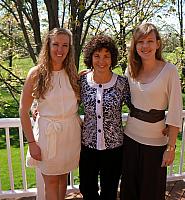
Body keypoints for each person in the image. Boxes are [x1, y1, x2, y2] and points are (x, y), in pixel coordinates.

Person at [120, 22, 183, 200]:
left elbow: (176, 110)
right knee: (129, 191)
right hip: (130, 139)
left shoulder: (169, 71)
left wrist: (171, 147)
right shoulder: (130, 69)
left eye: (149, 41)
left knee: (152, 193)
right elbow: (117, 94)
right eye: (140, 41)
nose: (145, 46)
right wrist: (90, 75)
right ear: (135, 45)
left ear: (158, 44)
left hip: (156, 144)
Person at [19, 28, 81, 200]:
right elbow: (23, 110)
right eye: (55, 44)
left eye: (65, 45)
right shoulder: (36, 73)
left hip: (70, 135)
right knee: (51, 183)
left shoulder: (72, 72)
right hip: (48, 135)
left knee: (63, 179)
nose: (60, 50)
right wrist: (32, 142)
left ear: (69, 49)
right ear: (48, 45)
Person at [78, 35, 131, 200]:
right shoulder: (82, 81)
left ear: (112, 58)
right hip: (88, 147)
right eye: (97, 56)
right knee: (88, 190)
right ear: (90, 57)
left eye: (106, 56)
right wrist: (37, 107)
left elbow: (136, 107)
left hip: (114, 149)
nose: (102, 60)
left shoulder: (122, 83)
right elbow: (63, 99)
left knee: (109, 192)